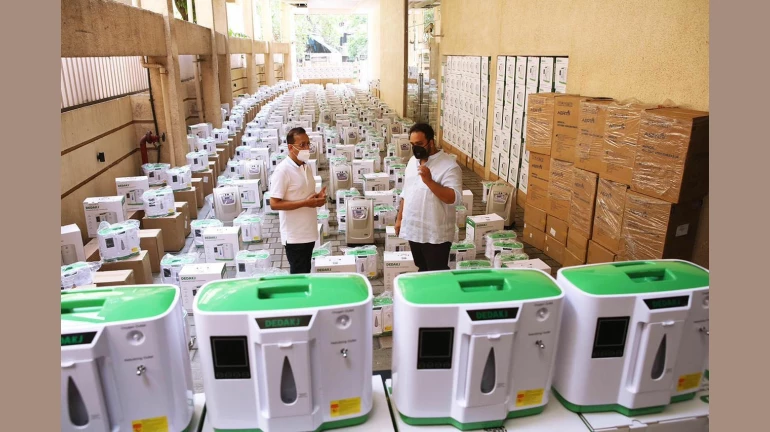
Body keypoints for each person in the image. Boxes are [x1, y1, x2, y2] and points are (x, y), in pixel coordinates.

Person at [395, 123, 462, 272]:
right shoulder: (412, 162)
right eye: (412, 144)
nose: (416, 148)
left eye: (419, 144)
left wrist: (429, 181)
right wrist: (400, 219)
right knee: (421, 268)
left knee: (436, 273)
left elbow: (454, 198)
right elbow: (406, 192)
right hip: (414, 229)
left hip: (435, 234)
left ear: (431, 142)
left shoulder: (449, 166)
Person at [269, 127, 327, 274]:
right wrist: (306, 203)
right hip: (295, 236)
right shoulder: (282, 171)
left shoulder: (306, 167)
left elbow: (305, 194)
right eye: (302, 145)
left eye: (308, 144)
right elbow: (274, 204)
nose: (307, 148)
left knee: (305, 271)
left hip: (309, 232)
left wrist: (317, 198)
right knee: (299, 275)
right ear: (290, 147)